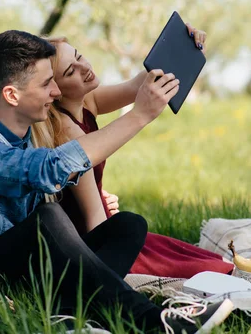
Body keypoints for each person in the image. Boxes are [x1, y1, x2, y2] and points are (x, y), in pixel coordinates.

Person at [0, 30, 232, 333]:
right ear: (12, 95)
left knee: (128, 225)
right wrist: (139, 116)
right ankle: (156, 321)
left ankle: (70, 311)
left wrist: (182, 51)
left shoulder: (29, 137)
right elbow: (47, 171)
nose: (56, 93)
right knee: (46, 218)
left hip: (21, 272)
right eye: (47, 84)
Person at [34, 29, 234, 279]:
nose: (83, 67)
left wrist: (184, 46)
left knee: (208, 258)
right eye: (70, 71)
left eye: (79, 56)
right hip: (94, 239)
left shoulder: (87, 101)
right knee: (213, 271)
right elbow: (93, 218)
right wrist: (111, 272)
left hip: (108, 221)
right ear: (55, 90)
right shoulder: (66, 131)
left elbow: (139, 84)